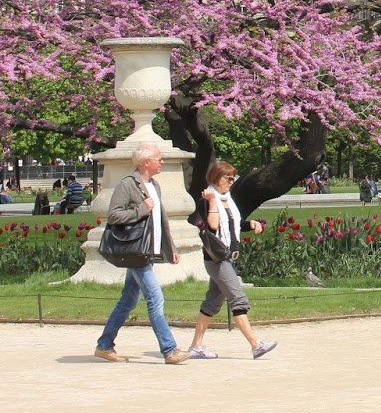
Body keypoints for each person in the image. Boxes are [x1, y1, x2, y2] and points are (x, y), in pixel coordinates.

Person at [93, 142, 189, 365]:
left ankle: (104, 345)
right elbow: (114, 216)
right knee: (155, 298)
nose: (162, 162)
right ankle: (169, 350)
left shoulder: (154, 184)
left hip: (147, 250)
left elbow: (161, 220)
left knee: (128, 299)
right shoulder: (127, 185)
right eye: (159, 159)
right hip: (135, 250)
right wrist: (142, 208)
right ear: (147, 162)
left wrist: (170, 248)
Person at [185, 161, 276, 360]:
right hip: (217, 259)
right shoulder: (207, 199)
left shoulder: (228, 198)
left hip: (228, 257)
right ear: (216, 178)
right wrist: (211, 203)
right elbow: (214, 225)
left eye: (233, 178)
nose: (232, 182)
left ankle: (196, 346)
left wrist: (250, 224)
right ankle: (255, 344)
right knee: (238, 298)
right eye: (228, 178)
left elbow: (233, 223)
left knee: (211, 304)